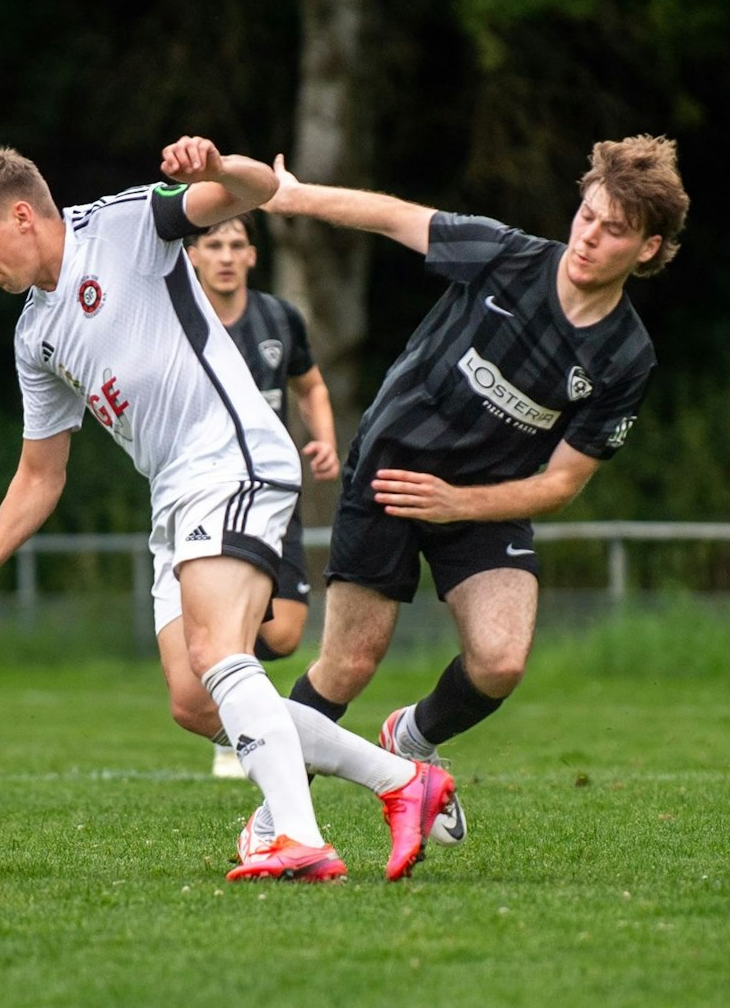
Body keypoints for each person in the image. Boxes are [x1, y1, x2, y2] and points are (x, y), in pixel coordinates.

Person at [0, 140, 455, 884]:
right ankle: (404, 781)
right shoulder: (34, 335)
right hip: (173, 491)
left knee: (218, 655)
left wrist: (215, 166)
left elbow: (257, 189)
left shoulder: (123, 225)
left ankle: (296, 838)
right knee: (194, 699)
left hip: (234, 457)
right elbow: (41, 473)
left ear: (21, 215)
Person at [248, 138, 682, 851]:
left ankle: (411, 736)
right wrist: (293, 197)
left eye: (614, 229)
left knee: (502, 660)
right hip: (393, 470)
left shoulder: (625, 356)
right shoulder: (508, 256)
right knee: (350, 663)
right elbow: (394, 216)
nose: (589, 235)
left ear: (647, 247)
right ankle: (274, 820)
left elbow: (563, 482)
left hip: (481, 499)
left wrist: (459, 504)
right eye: (587, 214)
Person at [186, 215, 338, 778]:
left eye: (236, 245)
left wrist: (322, 438)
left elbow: (311, 384)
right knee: (233, 619)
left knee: (285, 633)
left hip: (274, 493)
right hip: (210, 493)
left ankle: (229, 678)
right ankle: (235, 730)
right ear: (194, 255)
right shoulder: (183, 323)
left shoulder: (279, 318)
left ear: (252, 255)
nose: (225, 255)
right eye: (213, 245)